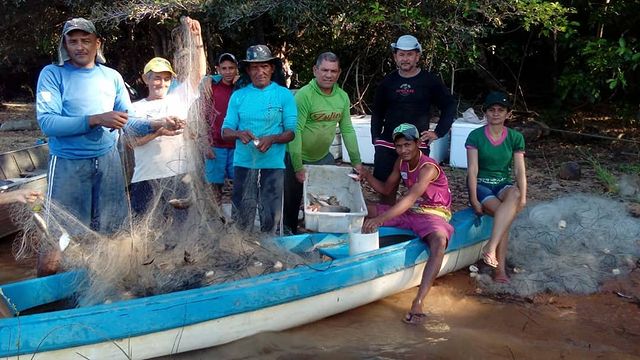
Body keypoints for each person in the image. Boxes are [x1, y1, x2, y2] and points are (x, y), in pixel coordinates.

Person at [35, 18, 182, 276]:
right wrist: (96, 119)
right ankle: (46, 297)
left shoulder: (111, 76)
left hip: (108, 164)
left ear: (97, 43)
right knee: (58, 235)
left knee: (112, 232)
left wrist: (157, 123)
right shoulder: (52, 74)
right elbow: (48, 123)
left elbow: (129, 122)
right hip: (69, 165)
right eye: (73, 41)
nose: (80, 46)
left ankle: (100, 285)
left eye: (86, 40)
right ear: (65, 45)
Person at [360, 123, 453, 325]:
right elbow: (386, 190)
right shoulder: (400, 163)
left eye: (407, 145)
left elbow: (410, 198)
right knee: (362, 209)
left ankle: (418, 302)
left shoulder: (428, 167)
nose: (403, 150)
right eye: (399, 146)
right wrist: (366, 175)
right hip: (410, 213)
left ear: (418, 143)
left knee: (438, 243)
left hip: (433, 214)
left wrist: (380, 220)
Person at [128, 17, 206, 215]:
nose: (161, 83)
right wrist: (159, 131)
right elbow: (131, 143)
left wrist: (197, 41)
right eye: (156, 78)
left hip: (179, 175)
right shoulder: (134, 108)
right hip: (145, 177)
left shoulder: (178, 98)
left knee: (182, 229)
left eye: (166, 78)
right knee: (147, 231)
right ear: (146, 79)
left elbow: (198, 74)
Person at [283, 52, 364, 234]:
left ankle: (320, 235)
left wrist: (356, 162)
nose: (329, 75)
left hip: (322, 157)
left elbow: (347, 130)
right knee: (291, 204)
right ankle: (288, 238)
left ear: (339, 72)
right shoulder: (304, 95)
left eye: (333, 71)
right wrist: (297, 167)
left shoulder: (342, 97)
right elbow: (295, 132)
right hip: (296, 157)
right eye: (324, 70)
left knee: (323, 199)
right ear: (315, 70)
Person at [371, 34, 456, 204]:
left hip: (417, 143)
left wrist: (438, 132)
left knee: (419, 189)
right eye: (401, 54)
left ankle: (417, 220)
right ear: (395, 57)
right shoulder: (388, 82)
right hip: (388, 143)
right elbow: (378, 111)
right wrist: (375, 137)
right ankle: (387, 222)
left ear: (417, 56)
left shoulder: (430, 81)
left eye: (409, 54)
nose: (405, 59)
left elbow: (449, 106)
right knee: (386, 189)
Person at [221, 45, 297, 233]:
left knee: (271, 217)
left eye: (264, 66)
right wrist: (239, 134)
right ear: (248, 70)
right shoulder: (239, 96)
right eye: (254, 67)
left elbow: (291, 132)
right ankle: (242, 253)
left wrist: (272, 138)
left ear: (272, 68)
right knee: (242, 217)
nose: (260, 72)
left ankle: (269, 254)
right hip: (244, 164)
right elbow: (225, 131)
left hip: (273, 164)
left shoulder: (284, 95)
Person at [466, 91, 527, 283]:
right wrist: (474, 198)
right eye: (491, 110)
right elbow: (473, 170)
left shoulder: (515, 137)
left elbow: (519, 170)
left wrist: (523, 197)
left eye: (501, 110)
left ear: (508, 114)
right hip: (481, 185)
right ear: (485, 113)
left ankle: (491, 250)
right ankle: (499, 269)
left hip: (502, 185)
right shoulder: (475, 136)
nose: (496, 114)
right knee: (505, 215)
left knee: (515, 194)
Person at [202, 53, 239, 203]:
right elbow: (203, 117)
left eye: (231, 68)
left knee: (238, 184)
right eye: (224, 68)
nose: (228, 72)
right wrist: (205, 143)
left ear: (237, 68)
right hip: (215, 144)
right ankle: (215, 221)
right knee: (214, 187)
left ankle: (237, 221)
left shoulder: (242, 88)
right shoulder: (211, 87)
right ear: (218, 69)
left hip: (238, 145)